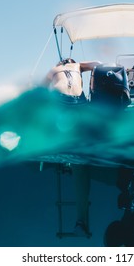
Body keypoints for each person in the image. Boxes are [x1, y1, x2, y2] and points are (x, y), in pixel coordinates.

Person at [43, 58, 101, 236]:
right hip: (67, 102)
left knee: (80, 163)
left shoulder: (72, 67)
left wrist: (79, 66)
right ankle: (66, 158)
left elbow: (97, 63)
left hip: (79, 102)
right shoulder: (55, 69)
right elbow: (40, 91)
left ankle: (80, 221)